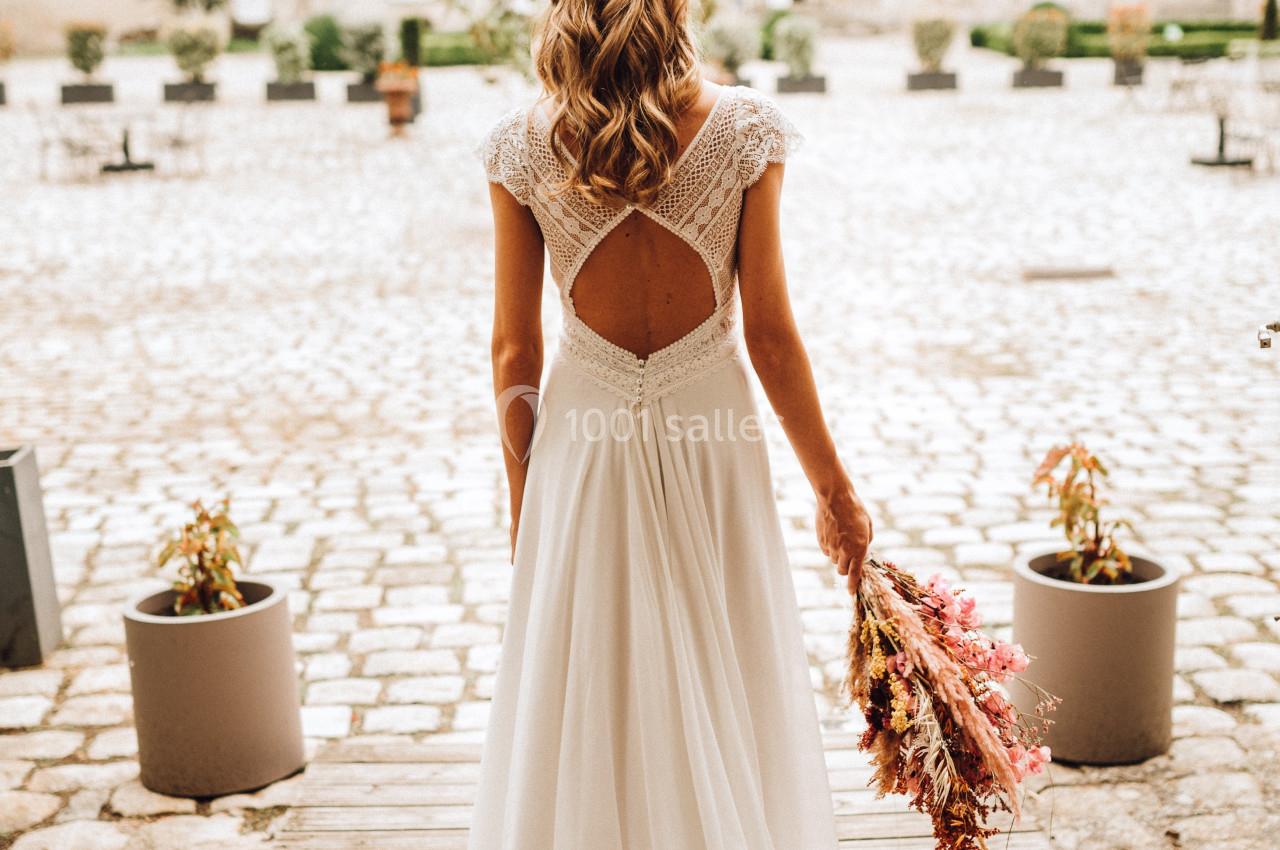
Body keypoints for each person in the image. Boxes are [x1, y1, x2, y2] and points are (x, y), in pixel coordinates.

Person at [470, 1, 873, 846]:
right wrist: (834, 492)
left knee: (592, 668)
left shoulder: (520, 146)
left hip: (583, 442)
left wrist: (523, 502)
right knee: (725, 650)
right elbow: (770, 336)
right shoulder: (745, 131)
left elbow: (514, 351)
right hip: (712, 426)